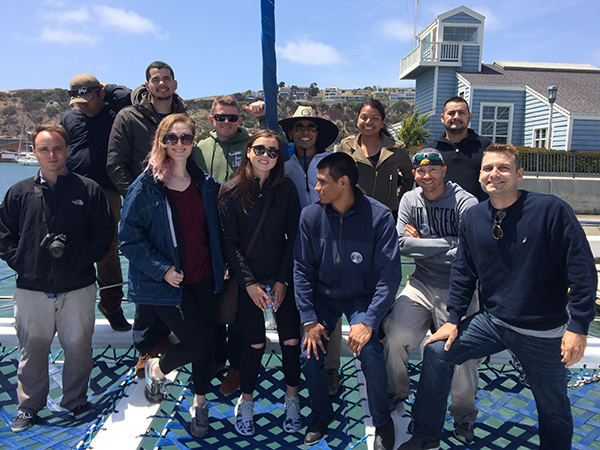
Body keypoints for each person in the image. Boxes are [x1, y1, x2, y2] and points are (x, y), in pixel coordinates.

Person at [399, 144, 597, 450]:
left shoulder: (551, 210)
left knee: (553, 404)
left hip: (541, 329)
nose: (495, 174)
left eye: (503, 168)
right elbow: (464, 273)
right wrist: (453, 321)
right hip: (492, 322)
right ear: (479, 176)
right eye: (488, 168)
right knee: (438, 352)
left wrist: (579, 326)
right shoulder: (474, 218)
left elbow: (582, 271)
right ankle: (426, 435)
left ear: (519, 173)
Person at [0, 124, 114, 432]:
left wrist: (82, 258)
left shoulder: (88, 189)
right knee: (32, 349)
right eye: (44, 149)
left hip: (78, 286)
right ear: (35, 152)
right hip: (31, 287)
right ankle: (29, 406)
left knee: (78, 347)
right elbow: (3, 234)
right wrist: (22, 260)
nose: (52, 155)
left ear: (67, 151)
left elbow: (104, 233)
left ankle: (75, 400)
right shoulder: (19, 192)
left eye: (58, 148)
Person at [118, 114, 224, 438]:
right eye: (172, 138)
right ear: (161, 141)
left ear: (194, 142)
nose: (179, 144)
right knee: (198, 342)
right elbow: (127, 236)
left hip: (205, 276)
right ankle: (158, 368)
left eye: (186, 138)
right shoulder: (147, 184)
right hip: (166, 284)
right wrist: (161, 269)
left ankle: (200, 402)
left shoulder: (204, 184)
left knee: (207, 343)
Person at [294, 152, 401, 449]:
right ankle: (321, 414)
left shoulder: (378, 217)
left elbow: (390, 275)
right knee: (309, 354)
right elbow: (301, 270)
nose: (316, 188)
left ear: (343, 182)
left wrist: (368, 321)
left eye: (321, 182)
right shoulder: (311, 216)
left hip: (361, 298)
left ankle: (382, 421)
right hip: (324, 298)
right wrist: (309, 319)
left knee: (370, 351)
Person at [382, 149, 480, 443]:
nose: (427, 176)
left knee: (460, 354)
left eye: (433, 170)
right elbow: (400, 243)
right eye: (421, 171)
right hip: (421, 283)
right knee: (395, 337)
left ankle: (463, 416)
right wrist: (445, 245)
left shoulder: (466, 202)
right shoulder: (410, 199)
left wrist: (422, 242)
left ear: (444, 171)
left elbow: (467, 249)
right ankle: (397, 391)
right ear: (414, 173)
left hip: (460, 288)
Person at [218, 130, 302, 436]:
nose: (266, 155)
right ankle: (247, 400)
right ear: (248, 151)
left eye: (273, 151)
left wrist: (282, 280)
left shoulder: (287, 190)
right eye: (260, 149)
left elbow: (293, 237)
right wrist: (250, 284)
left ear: (279, 158)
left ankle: (291, 400)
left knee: (292, 341)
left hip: (281, 277)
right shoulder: (229, 192)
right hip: (247, 282)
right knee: (254, 344)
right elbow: (229, 245)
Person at [107, 61, 186, 377]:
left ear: (175, 84)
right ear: (147, 85)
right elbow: (115, 164)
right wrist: (139, 198)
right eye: (156, 80)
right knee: (144, 268)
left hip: (177, 205)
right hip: (143, 208)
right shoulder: (128, 117)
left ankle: (164, 338)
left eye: (166, 79)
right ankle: (145, 346)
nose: (162, 84)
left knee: (172, 268)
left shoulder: (181, 117)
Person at [191, 95, 267, 396]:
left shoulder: (251, 144)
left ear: (240, 120)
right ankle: (215, 358)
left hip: (243, 234)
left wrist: (263, 118)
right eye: (220, 117)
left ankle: (236, 364)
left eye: (232, 118)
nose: (226, 123)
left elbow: (275, 144)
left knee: (238, 306)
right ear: (212, 119)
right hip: (208, 234)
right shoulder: (200, 148)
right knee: (210, 302)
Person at [279, 105, 343, 397]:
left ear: (318, 132)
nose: (305, 132)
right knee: (297, 302)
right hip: (291, 241)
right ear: (291, 132)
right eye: (299, 127)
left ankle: (331, 370)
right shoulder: (281, 162)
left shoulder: (332, 161)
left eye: (311, 127)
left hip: (329, 239)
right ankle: (299, 366)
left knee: (331, 303)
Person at [61, 73, 132, 332]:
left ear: (101, 93)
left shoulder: (117, 113)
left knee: (107, 250)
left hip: (106, 190)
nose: (84, 105)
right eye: (78, 100)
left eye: (89, 98)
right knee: (66, 247)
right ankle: (66, 307)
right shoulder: (69, 119)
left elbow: (131, 95)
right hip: (71, 189)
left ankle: (111, 307)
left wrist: (108, 88)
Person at [337, 99, 414, 220]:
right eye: (364, 117)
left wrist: (398, 200)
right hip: (353, 211)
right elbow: (336, 177)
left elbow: (409, 176)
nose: (368, 122)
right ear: (357, 120)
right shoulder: (346, 146)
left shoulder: (397, 148)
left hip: (388, 213)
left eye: (375, 118)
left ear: (382, 123)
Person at [425, 96, 492, 202]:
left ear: (469, 117)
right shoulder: (431, 150)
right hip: (441, 214)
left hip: (478, 213)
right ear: (442, 118)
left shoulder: (485, 146)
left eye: (461, 113)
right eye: (451, 113)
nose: (456, 117)